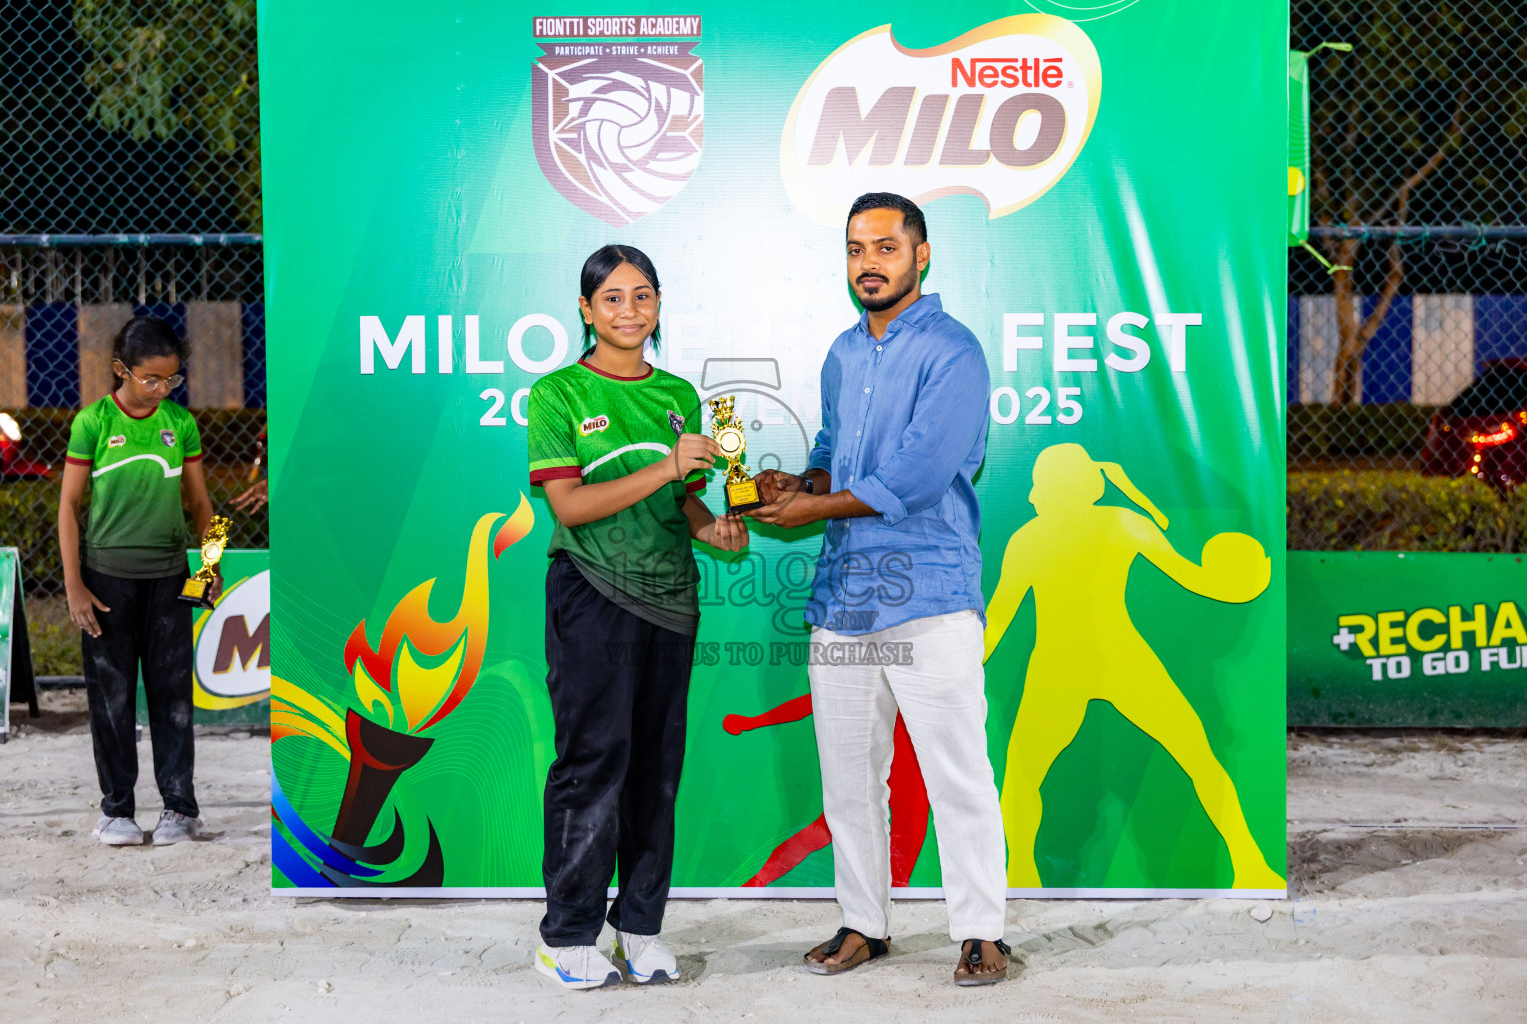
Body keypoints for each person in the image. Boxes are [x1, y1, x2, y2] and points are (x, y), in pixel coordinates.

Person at [750, 193, 1010, 985]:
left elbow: (918, 476)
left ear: (920, 256)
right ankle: (864, 922)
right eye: (857, 249)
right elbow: (834, 450)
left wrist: (811, 507)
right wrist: (798, 482)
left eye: (887, 248)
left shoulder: (954, 351)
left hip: (929, 594)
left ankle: (982, 932)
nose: (870, 263)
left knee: (956, 772)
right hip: (844, 598)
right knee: (848, 776)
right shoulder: (842, 353)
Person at [527, 243, 749, 990]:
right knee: (593, 763)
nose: (630, 311)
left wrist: (713, 528)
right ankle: (567, 936)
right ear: (586, 310)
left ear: (659, 305)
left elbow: (682, 502)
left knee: (656, 772)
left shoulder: (681, 395)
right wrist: (666, 466)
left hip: (671, 600)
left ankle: (638, 928)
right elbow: (569, 506)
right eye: (613, 298)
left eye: (643, 296)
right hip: (592, 594)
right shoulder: (557, 393)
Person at [983, 442, 1283, 890]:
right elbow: (1196, 578)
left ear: (1046, 489)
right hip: (1115, 657)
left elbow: (997, 621)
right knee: (1197, 757)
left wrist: (962, 666)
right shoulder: (1120, 521)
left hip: (1065, 665)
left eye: (1040, 486)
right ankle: (1250, 863)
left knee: (1022, 774)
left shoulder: (1029, 538)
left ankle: (1020, 873)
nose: (1033, 496)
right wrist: (1244, 580)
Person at [58, 316, 220, 847]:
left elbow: (202, 504)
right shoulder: (93, 422)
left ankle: (180, 810)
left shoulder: (181, 423)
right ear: (120, 369)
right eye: (151, 378)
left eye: (171, 379)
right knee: (112, 699)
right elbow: (67, 506)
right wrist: (74, 585)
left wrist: (210, 565)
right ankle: (116, 812)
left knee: (174, 698)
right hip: (106, 582)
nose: (161, 389)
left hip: (170, 579)